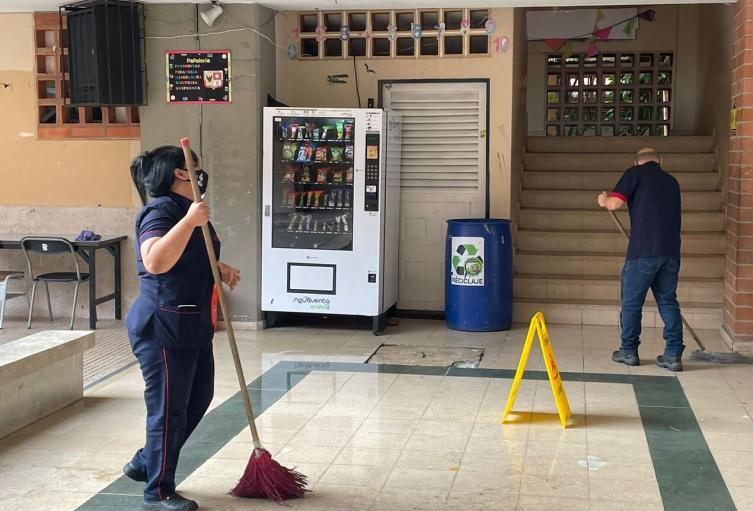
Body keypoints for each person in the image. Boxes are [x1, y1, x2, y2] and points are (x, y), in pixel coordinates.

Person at [125, 146, 241, 511]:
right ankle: (157, 491)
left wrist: (217, 268)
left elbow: (186, 255)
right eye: (194, 166)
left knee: (198, 399)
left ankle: (147, 460)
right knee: (168, 410)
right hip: (164, 327)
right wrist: (189, 222)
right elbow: (156, 260)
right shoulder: (161, 210)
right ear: (178, 173)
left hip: (192, 324)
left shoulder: (187, 211)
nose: (199, 172)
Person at [597, 147, 684, 372]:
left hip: (643, 252)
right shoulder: (672, 182)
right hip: (671, 252)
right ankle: (673, 355)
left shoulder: (634, 174)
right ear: (660, 160)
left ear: (637, 163)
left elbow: (615, 204)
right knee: (668, 302)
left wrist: (604, 200)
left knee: (632, 303)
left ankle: (629, 351)